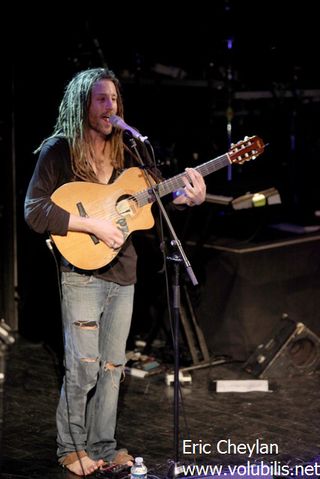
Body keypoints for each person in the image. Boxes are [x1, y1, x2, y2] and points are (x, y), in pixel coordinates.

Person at [24, 67, 206, 476]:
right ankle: (70, 448)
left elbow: (160, 203)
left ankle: (102, 445)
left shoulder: (131, 154)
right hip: (81, 272)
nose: (111, 107)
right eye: (102, 99)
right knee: (84, 364)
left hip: (123, 273)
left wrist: (186, 197)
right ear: (82, 104)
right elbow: (35, 210)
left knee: (112, 367)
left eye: (115, 100)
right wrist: (92, 225)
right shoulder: (59, 150)